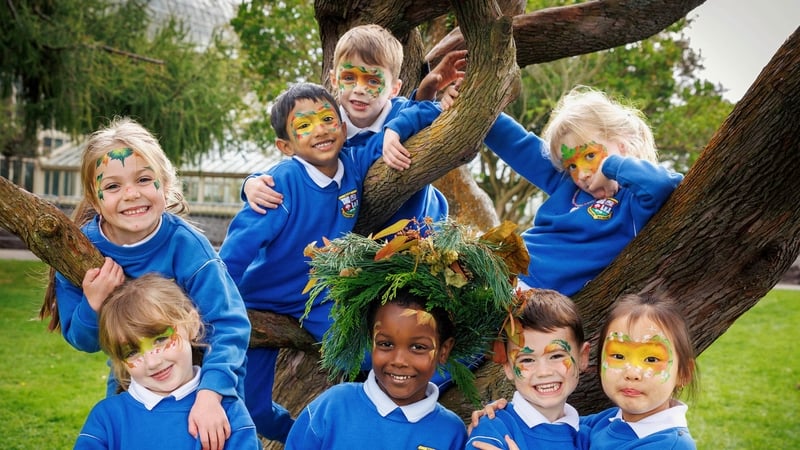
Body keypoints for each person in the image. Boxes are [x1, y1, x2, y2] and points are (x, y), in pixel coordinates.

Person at [218, 82, 442, 442]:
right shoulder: (281, 183)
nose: (320, 129)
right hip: (260, 300)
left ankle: (438, 378)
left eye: (327, 118)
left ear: (342, 124)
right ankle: (301, 437)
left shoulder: (353, 162)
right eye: (304, 125)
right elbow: (236, 250)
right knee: (255, 409)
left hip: (317, 298)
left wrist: (397, 129)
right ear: (286, 145)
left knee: (362, 355)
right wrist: (217, 304)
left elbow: (429, 116)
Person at [42, 117, 250, 450]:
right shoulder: (78, 250)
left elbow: (229, 324)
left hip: (200, 378)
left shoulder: (187, 247)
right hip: (133, 380)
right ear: (95, 200)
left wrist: (212, 394)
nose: (131, 194)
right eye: (112, 186)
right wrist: (93, 304)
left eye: (143, 179)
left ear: (164, 185)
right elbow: (84, 340)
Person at [399, 85, 684, 297]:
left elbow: (664, 184)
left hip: (529, 296)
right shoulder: (567, 184)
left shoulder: (632, 204)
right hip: (498, 264)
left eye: (589, 156)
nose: (581, 174)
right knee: (413, 296)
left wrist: (611, 166)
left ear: (622, 146)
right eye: (571, 165)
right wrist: (468, 103)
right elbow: (517, 142)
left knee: (452, 337)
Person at [284, 219, 526, 449]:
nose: (399, 361)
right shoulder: (332, 408)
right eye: (386, 344)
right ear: (372, 341)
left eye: (418, 347)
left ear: (444, 350)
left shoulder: (450, 433)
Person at [242, 23, 466, 226]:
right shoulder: (327, 127)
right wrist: (251, 184)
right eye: (349, 77)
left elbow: (430, 112)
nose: (359, 88)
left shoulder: (403, 111)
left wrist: (439, 101)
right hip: (365, 240)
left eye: (372, 80)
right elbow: (299, 163)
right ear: (334, 79)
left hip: (422, 230)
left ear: (394, 88)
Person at [75, 274, 260, 450]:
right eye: (132, 352)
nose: (152, 362)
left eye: (161, 339)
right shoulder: (106, 419)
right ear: (119, 361)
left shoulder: (227, 413)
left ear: (192, 324)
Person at [466, 288, 591, 450]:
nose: (544, 372)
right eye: (527, 360)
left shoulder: (589, 436)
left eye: (556, 356)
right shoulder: (493, 429)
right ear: (508, 367)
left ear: (583, 357)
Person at [580, 294, 698, 449]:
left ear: (683, 373)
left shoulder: (669, 445)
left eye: (651, 360)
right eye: (618, 356)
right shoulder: (606, 420)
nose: (632, 373)